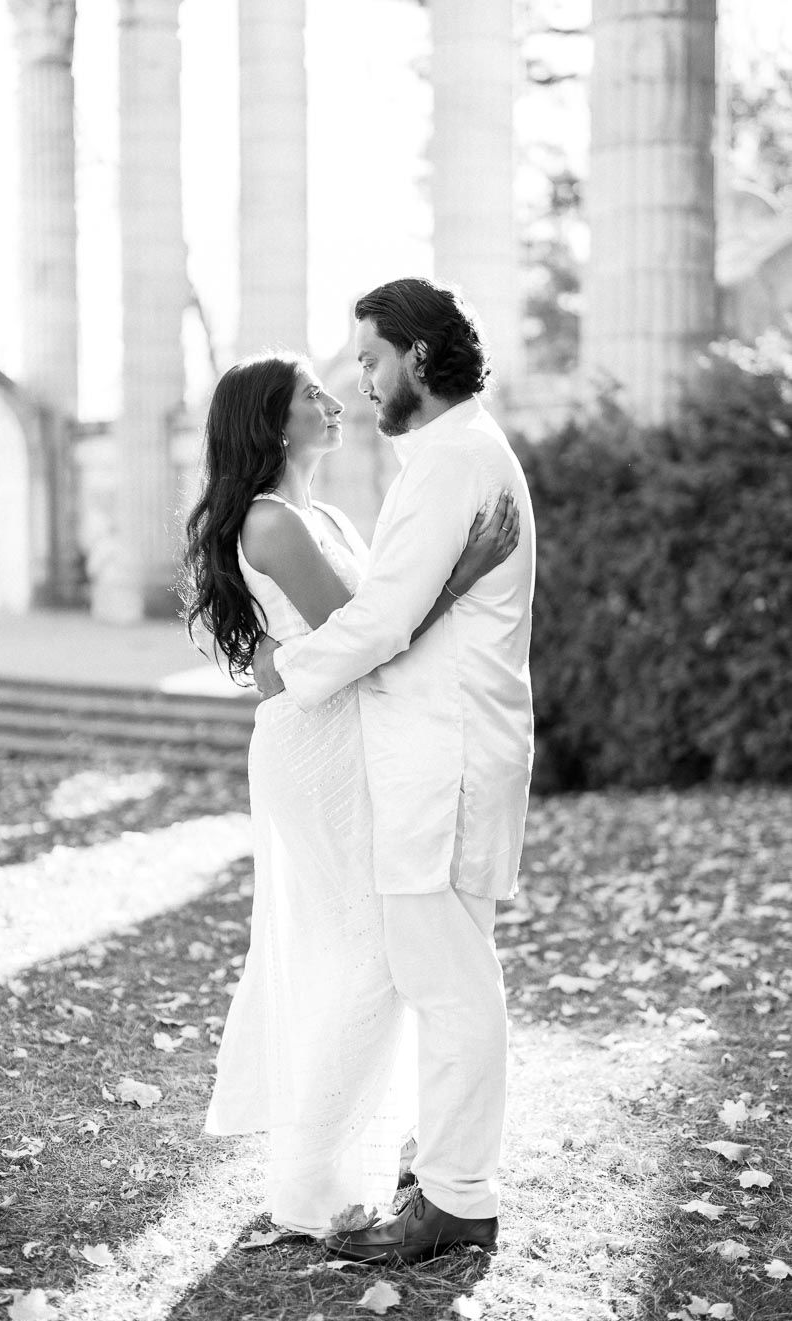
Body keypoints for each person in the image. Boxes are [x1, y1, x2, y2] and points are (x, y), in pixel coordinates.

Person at [183, 350, 519, 1239]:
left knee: (370, 947)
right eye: (312, 395)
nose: (336, 400)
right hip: (316, 742)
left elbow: (377, 620)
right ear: (272, 422)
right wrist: (464, 573)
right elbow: (373, 635)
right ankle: (307, 1181)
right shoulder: (270, 525)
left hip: (351, 728)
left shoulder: (321, 512)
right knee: (369, 946)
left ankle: (377, 1156)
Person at [253, 277, 536, 1263]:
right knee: (448, 973)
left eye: (370, 357)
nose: (361, 379)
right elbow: (409, 610)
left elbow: (378, 621)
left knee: (449, 982)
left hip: (444, 759)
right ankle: (444, 1167)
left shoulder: (452, 459)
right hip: (446, 752)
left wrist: (286, 673)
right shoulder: (455, 455)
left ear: (419, 355)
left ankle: (456, 1195)